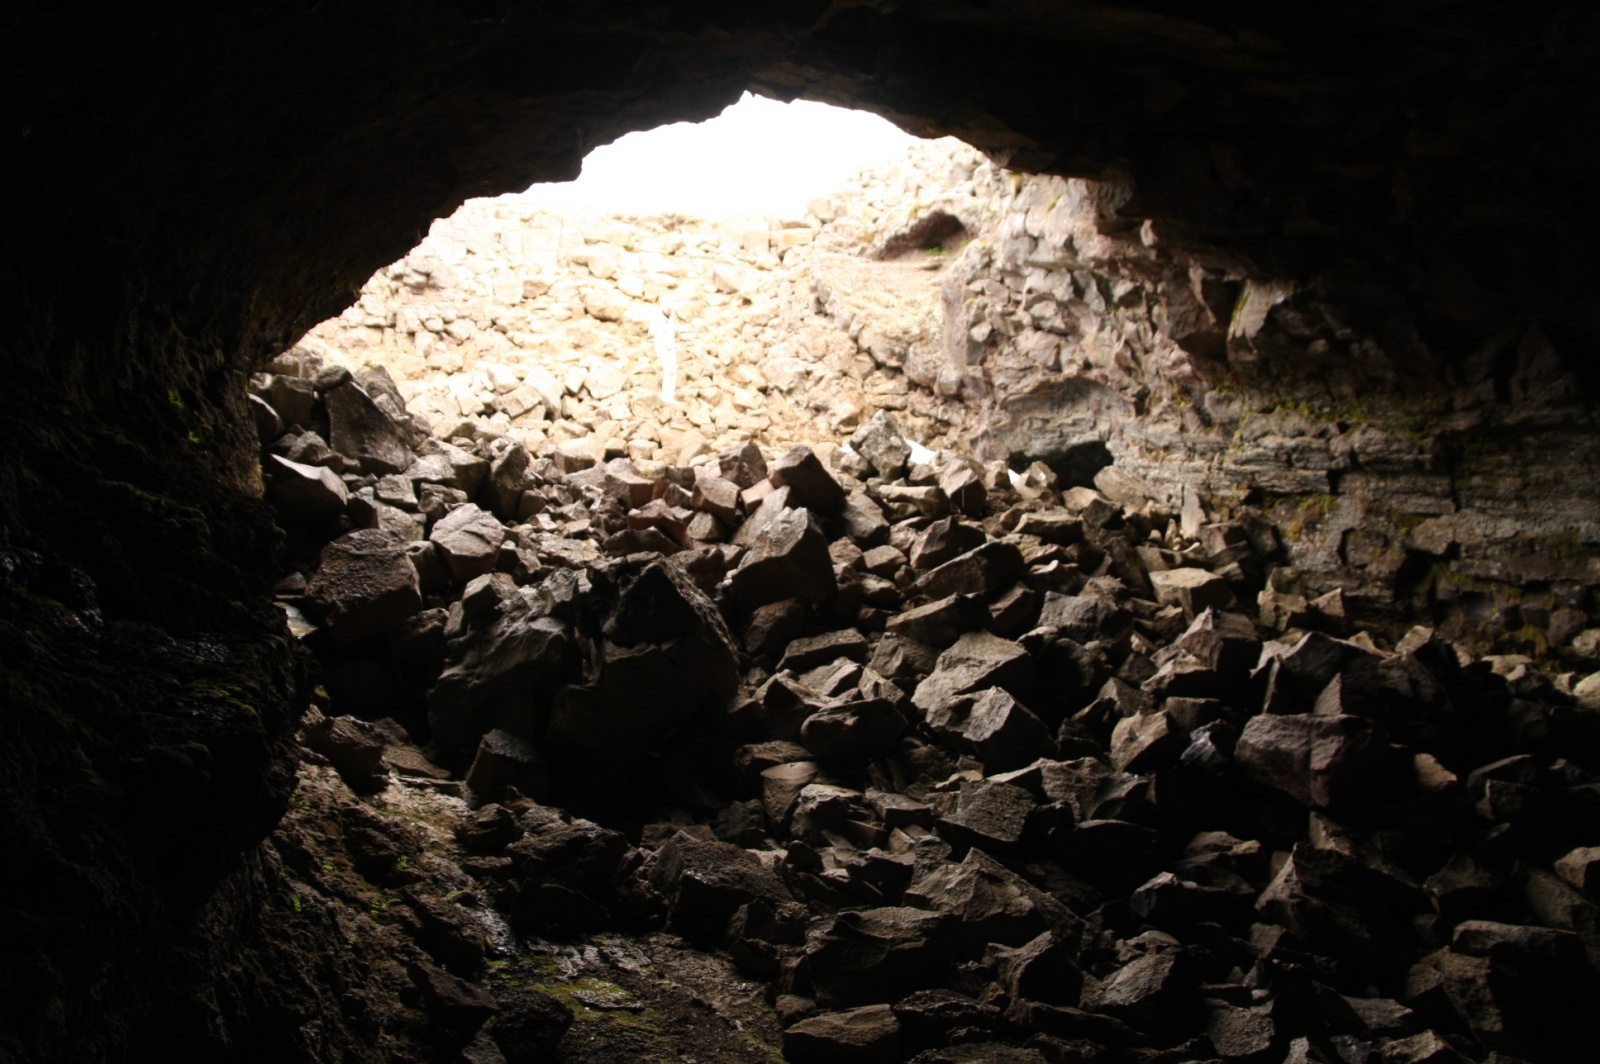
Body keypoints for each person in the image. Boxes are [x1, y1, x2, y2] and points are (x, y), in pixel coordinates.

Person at [650, 304, 678, 404]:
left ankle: (670, 395)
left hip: (671, 346)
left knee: (673, 370)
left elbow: (674, 329)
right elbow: (652, 332)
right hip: (662, 346)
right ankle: (665, 396)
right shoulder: (657, 317)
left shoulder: (672, 316)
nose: (669, 309)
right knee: (668, 370)